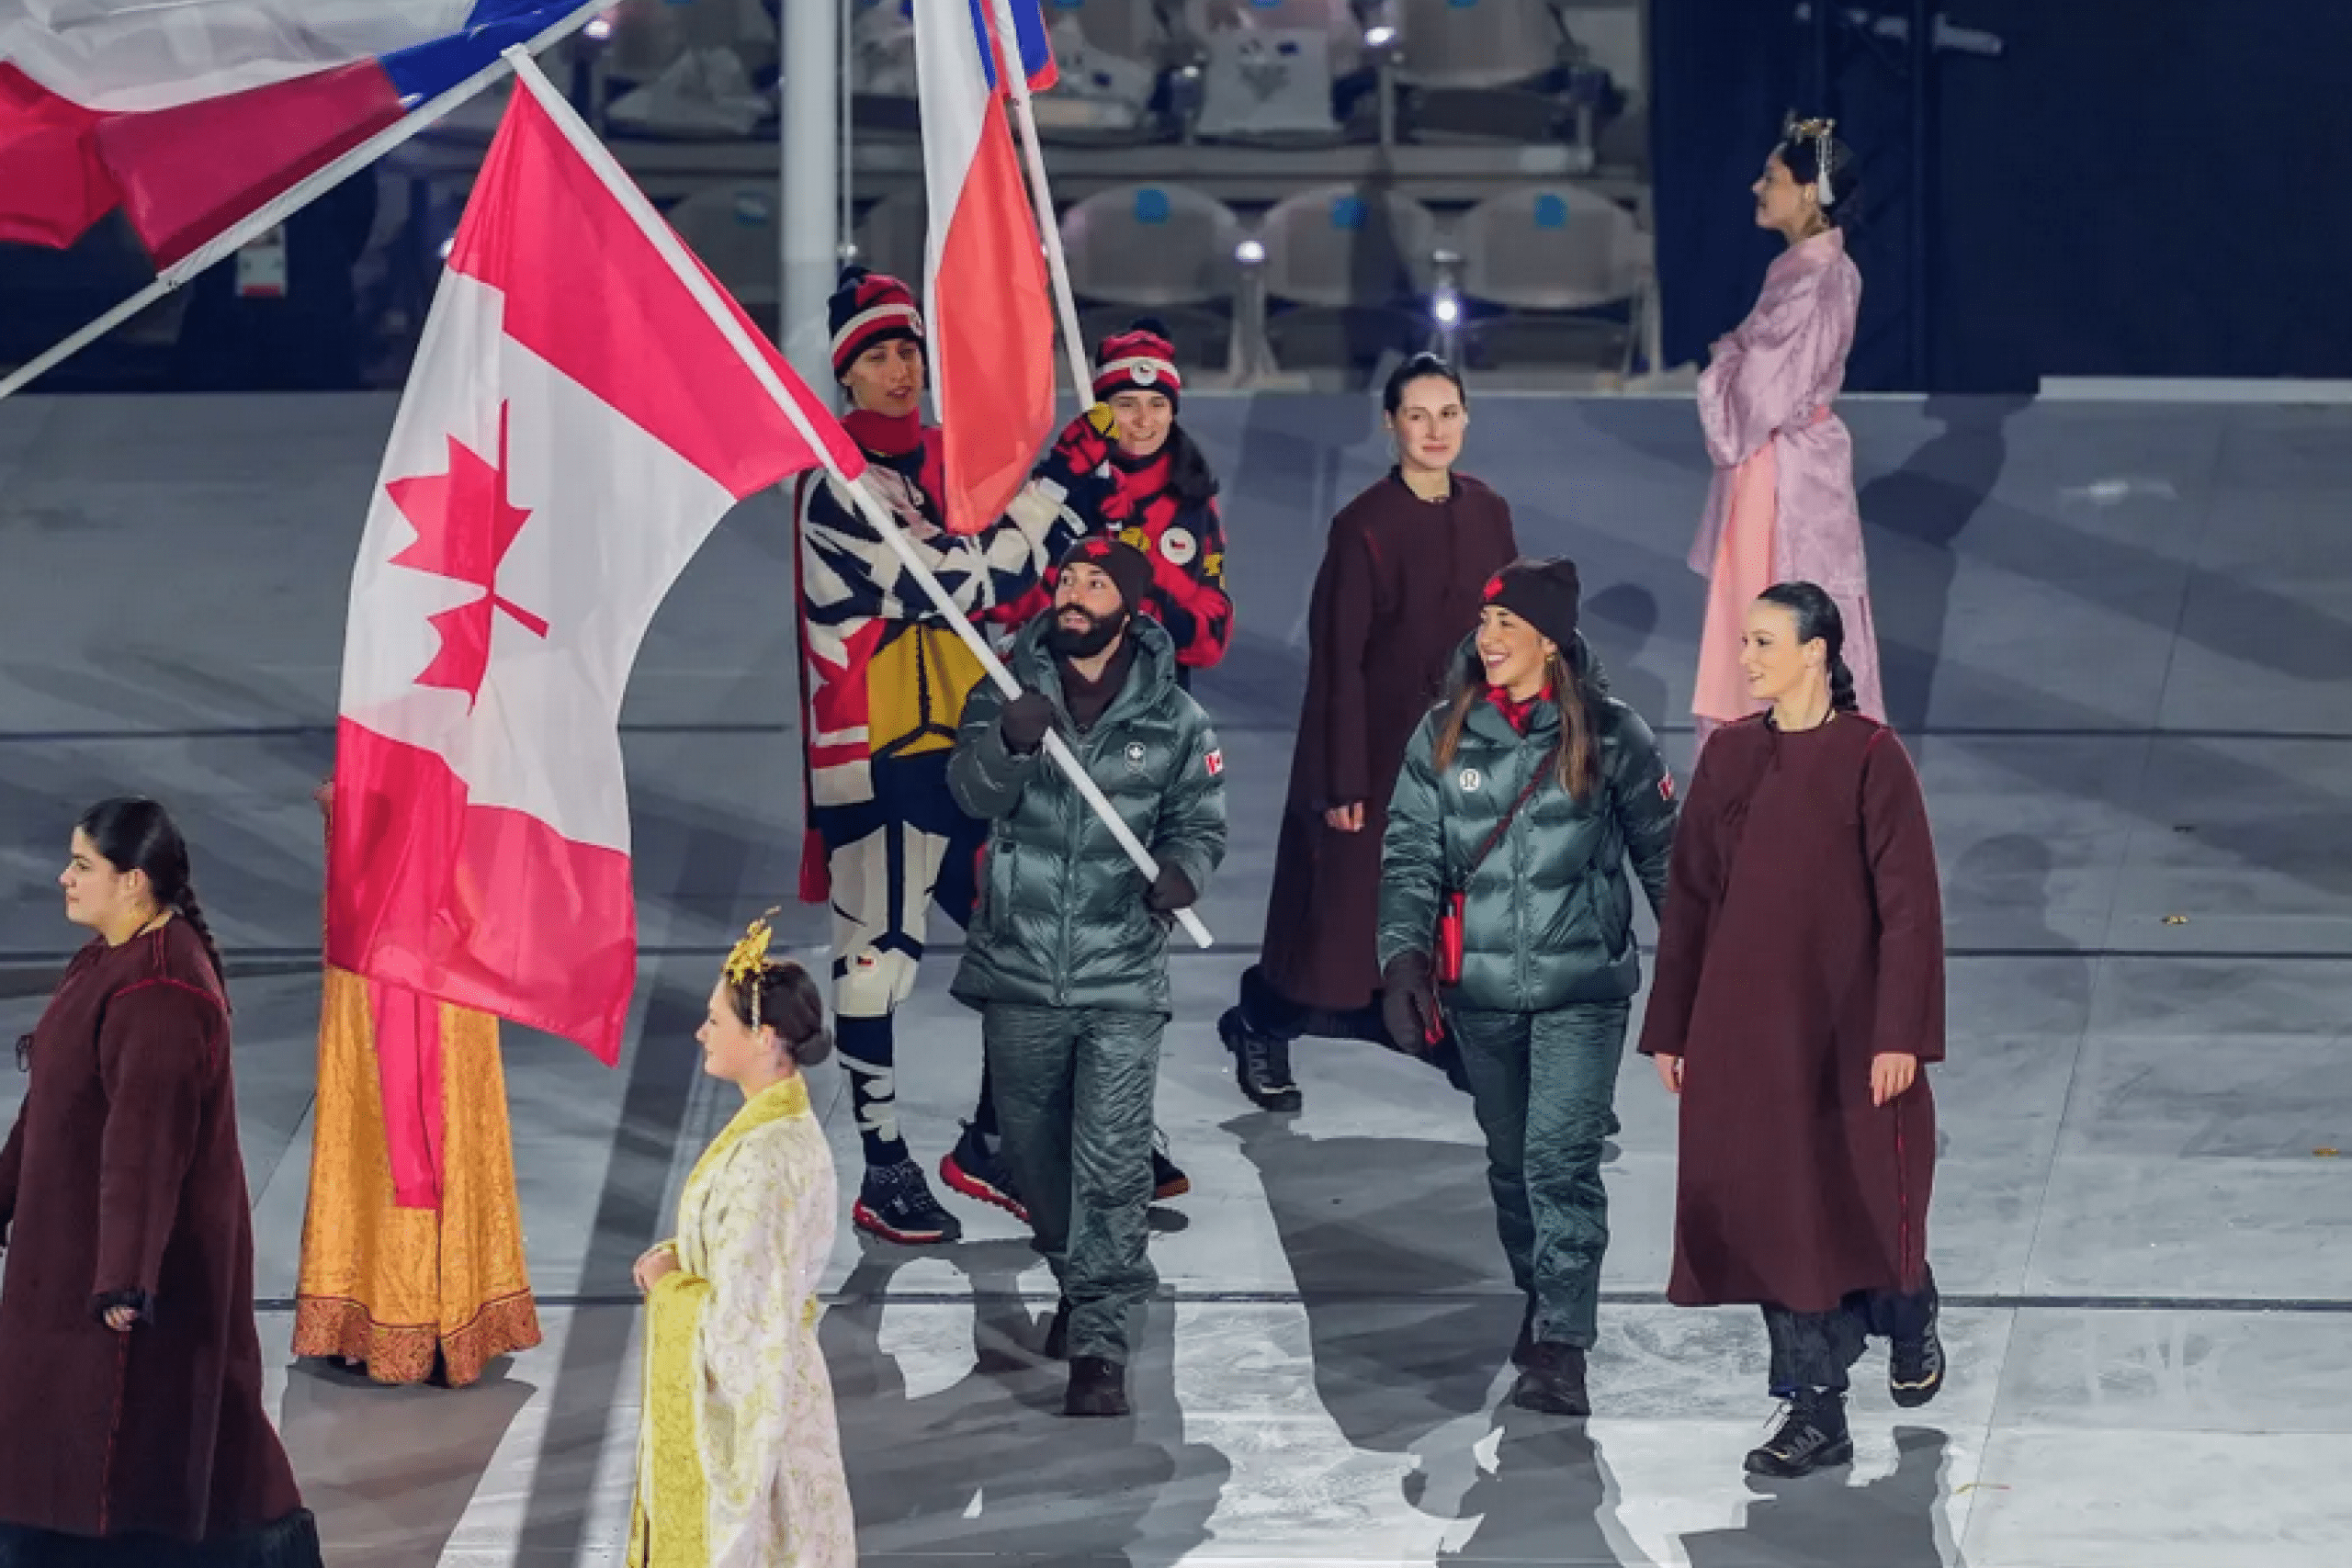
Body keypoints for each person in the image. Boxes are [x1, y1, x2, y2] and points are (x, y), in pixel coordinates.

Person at [795, 264, 1114, 1244]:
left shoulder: (946, 459)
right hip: (876, 754)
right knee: (878, 962)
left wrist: (1079, 502)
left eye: (909, 349)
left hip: (966, 747)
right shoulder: (835, 484)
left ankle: (989, 1139)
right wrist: (1057, 485)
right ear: (846, 373)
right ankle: (882, 1161)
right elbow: (958, 580)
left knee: (1018, 942)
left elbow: (1023, 579)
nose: (901, 368)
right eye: (879, 354)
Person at [1638, 582, 1946, 1478]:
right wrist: (1675, 1029)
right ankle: (1813, 1411)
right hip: (1743, 1032)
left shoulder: (1870, 759)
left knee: (1854, 1212)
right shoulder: (1729, 758)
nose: (1746, 658)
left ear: (1816, 651)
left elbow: (1910, 912)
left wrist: (1900, 1035)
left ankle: (1908, 1311)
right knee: (1776, 1218)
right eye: (1744, 641)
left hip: (1846, 1033)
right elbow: (1689, 900)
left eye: (1764, 642)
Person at [1376, 560, 1678, 1416]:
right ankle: (1542, 1297)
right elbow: (1409, 857)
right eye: (1485, 620)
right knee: (1511, 1167)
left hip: (1583, 989)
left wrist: (1696, 991)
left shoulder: (1614, 736)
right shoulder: (1443, 732)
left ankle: (1562, 1341)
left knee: (1560, 1163)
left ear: (1549, 638)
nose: (1490, 637)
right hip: (1482, 994)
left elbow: (1668, 863)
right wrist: (1403, 962)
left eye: (1509, 623)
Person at [946, 537, 1227, 1417]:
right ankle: (1078, 1273)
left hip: (1120, 977)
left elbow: (1201, 824)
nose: (1074, 594)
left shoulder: (1175, 719)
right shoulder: (1002, 691)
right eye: (1067, 579)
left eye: (1095, 584)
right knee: (1033, 1154)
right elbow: (969, 793)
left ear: (1130, 608)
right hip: (1021, 968)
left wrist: (1184, 872)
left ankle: (1101, 1338)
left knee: (1111, 1157)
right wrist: (1007, 743)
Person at [0, 798, 322, 1566]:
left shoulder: (162, 995)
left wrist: (123, 1281)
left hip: (131, 1278)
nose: (65, 878)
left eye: (83, 864)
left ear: (134, 880)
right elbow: (47, 1108)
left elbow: (146, 1147)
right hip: (73, 1252)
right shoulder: (107, 961)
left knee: (139, 1457)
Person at [1219, 352, 1519, 1111]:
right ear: (1389, 424)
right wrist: (1342, 780)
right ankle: (1261, 1020)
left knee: (1456, 916)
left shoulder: (1489, 511)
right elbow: (1338, 661)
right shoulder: (1362, 529)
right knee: (1337, 934)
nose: (1434, 430)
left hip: (1466, 754)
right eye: (1417, 415)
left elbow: (1514, 634)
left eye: (1448, 413)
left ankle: (1461, 1048)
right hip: (1375, 755)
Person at [293, 778, 541, 1385]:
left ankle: (420, 1315)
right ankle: (390, 1309)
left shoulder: (453, 734)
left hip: (429, 952)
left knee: (421, 1112)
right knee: (385, 1113)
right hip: (392, 951)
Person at [628, 913, 854, 1567]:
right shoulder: (777, 1127)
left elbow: (744, 1325)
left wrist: (670, 1285)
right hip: (787, 1388)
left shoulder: (766, 1158)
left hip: (762, 1409)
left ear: (763, 1036)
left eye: (715, 1020)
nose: (702, 1031)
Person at [1689, 116, 1883, 747]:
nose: (1756, 187)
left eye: (1771, 177)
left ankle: (1782, 751)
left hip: (1779, 469)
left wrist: (1721, 365)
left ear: (1806, 191)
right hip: (1785, 461)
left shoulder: (1815, 277)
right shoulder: (1808, 269)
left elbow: (1757, 394)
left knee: (1773, 607)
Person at [1001, 320, 1235, 682]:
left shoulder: (1193, 499)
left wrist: (1136, 580)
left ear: (1173, 411)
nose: (1144, 421)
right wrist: (1069, 527)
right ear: (1102, 411)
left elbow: (1212, 637)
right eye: (1127, 404)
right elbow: (1011, 601)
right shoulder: (1061, 484)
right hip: (1060, 694)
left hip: (1157, 701)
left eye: (1157, 404)